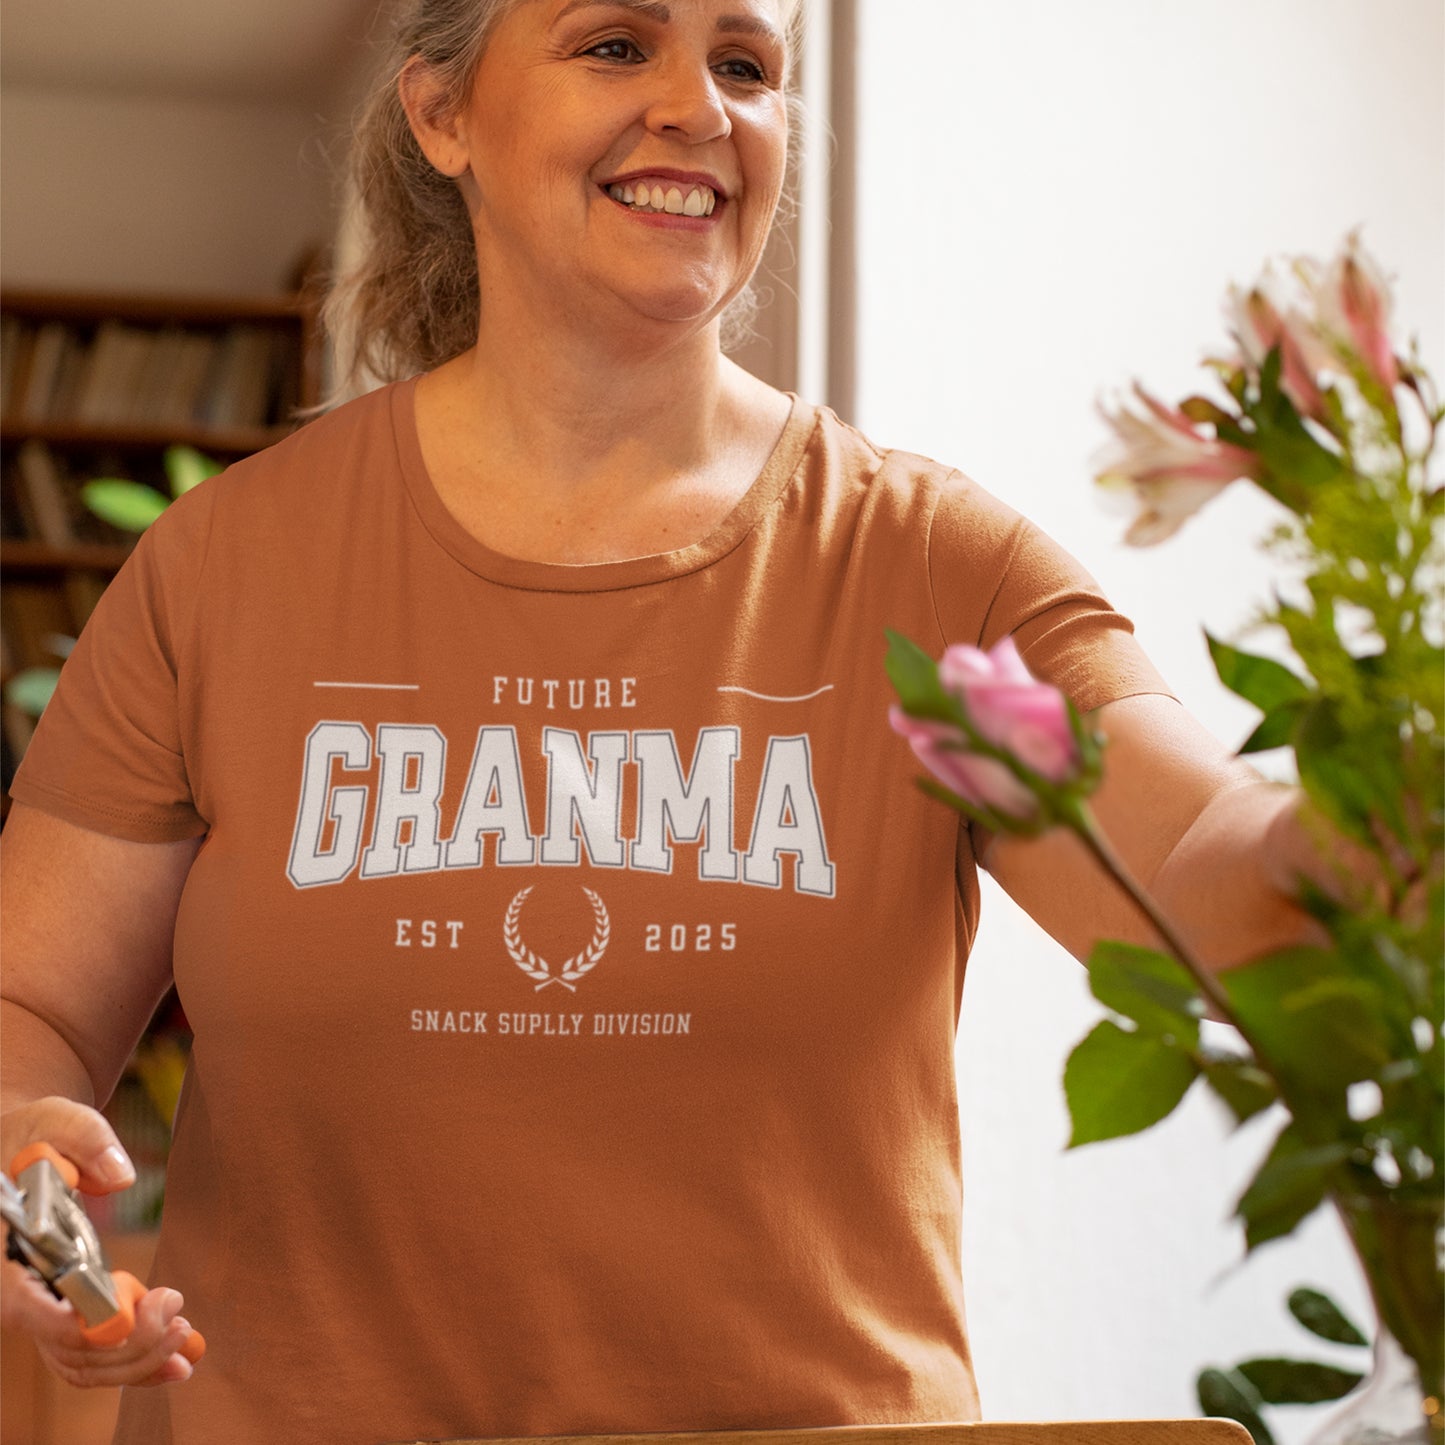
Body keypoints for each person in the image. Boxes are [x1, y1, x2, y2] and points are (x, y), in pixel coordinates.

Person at [0, 1, 1329, 1440]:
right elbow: (33, 1010)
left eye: (746, 64)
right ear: (441, 116)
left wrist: (1379, 810)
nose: (700, 106)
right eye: (616, 44)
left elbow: (1207, 866)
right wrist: (17, 1159)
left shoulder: (933, 570)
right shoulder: (218, 569)